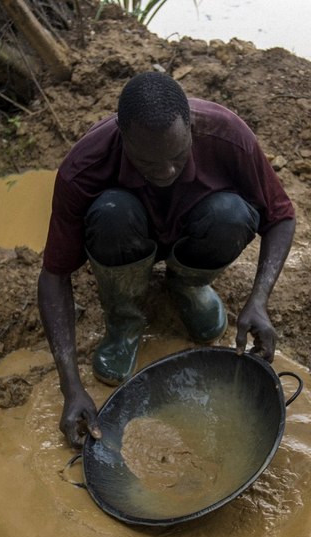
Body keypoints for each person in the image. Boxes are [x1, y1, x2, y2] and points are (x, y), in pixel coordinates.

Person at [37, 70, 296, 447]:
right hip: (126, 236)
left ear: (191, 127)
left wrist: (258, 301)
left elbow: (281, 216)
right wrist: (71, 388)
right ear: (122, 138)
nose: (166, 171)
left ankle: (188, 286)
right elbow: (54, 275)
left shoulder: (228, 136)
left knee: (232, 213)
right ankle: (124, 319)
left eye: (177, 156)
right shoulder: (83, 167)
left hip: (195, 233)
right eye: (148, 163)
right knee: (111, 211)